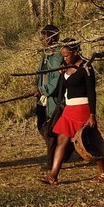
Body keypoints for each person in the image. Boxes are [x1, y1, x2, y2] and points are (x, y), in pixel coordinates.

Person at [41, 41, 104, 184]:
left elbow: (92, 92)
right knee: (61, 140)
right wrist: (61, 74)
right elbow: (63, 89)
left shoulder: (86, 67)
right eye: (62, 56)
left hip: (82, 109)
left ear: (75, 52)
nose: (64, 58)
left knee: (87, 142)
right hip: (69, 109)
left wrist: (92, 114)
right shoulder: (66, 67)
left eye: (66, 55)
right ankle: (53, 176)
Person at [35, 24, 65, 169]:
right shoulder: (45, 53)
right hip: (43, 97)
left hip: (55, 98)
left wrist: (43, 89)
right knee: (41, 126)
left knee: (50, 131)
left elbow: (57, 79)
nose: (42, 40)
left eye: (44, 37)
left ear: (52, 37)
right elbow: (41, 74)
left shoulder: (60, 54)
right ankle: (61, 151)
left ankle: (51, 162)